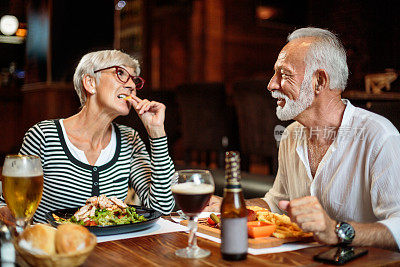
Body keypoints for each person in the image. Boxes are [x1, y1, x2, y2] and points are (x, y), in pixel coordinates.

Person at [205, 27, 400, 250]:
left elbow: (398, 226)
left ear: (319, 81)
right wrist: (231, 207)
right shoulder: (291, 135)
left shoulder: (379, 137)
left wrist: (336, 230)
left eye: (284, 74)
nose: (271, 84)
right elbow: (276, 204)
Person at [0, 50, 175, 223]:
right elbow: (8, 204)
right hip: (53, 247)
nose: (131, 86)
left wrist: (156, 132)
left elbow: (162, 207)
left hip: (112, 249)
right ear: (90, 83)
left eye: (134, 79)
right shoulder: (43, 136)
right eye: (120, 73)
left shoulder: (131, 139)